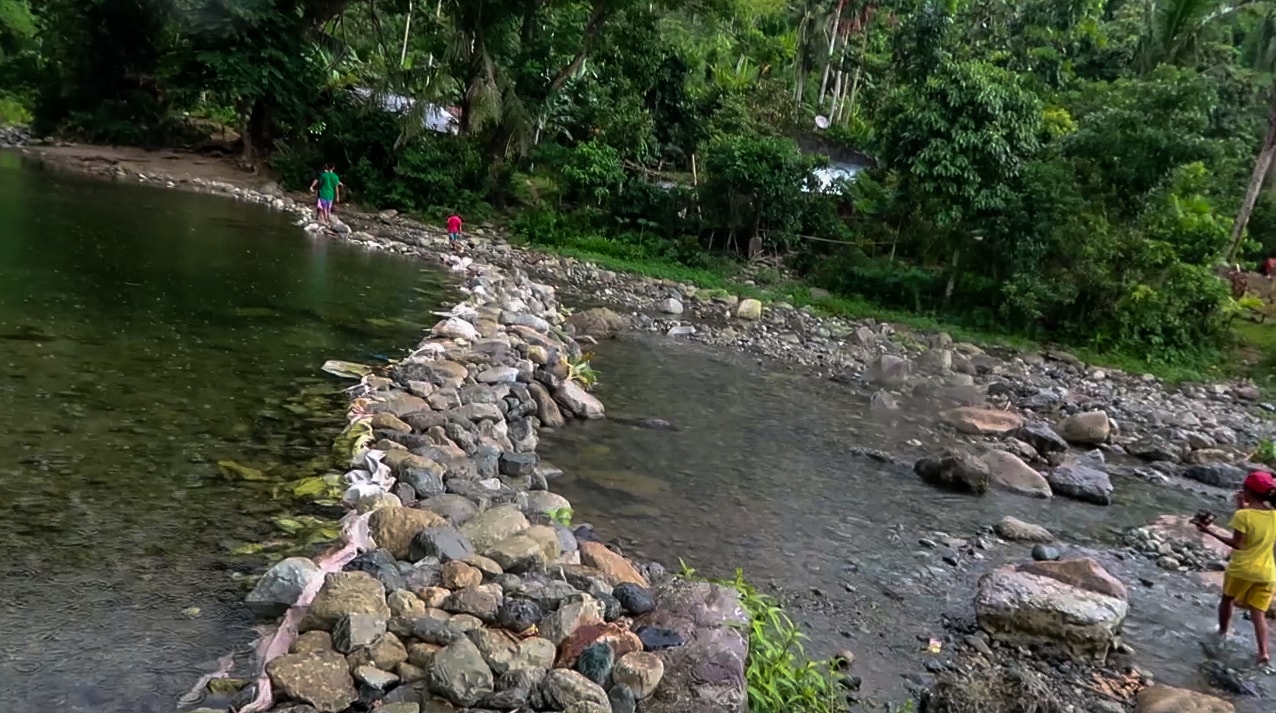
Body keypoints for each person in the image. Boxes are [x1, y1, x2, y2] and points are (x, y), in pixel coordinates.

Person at [1196, 470, 1276, 664]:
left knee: (1227, 599)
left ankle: (1223, 632)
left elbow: (1239, 544)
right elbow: (1257, 524)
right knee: (1259, 613)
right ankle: (1263, 652)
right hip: (1267, 573)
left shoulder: (1243, 516)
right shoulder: (1274, 515)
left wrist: (1208, 530)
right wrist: (1242, 506)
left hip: (1242, 569)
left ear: (1248, 491)